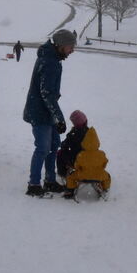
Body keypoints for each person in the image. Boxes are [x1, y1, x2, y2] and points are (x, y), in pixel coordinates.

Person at [22, 29, 75, 197]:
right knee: (43, 148)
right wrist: (59, 118)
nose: (72, 50)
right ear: (59, 46)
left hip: (46, 110)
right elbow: (47, 94)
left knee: (53, 146)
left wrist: (55, 115)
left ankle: (50, 181)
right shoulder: (50, 62)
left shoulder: (52, 59)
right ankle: (34, 185)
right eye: (69, 47)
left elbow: (49, 95)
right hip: (39, 112)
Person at [56, 110, 89, 180]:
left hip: (77, 159)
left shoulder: (74, 134)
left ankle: (62, 173)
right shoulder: (89, 132)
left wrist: (63, 144)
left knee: (60, 153)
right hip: (88, 158)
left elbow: (65, 145)